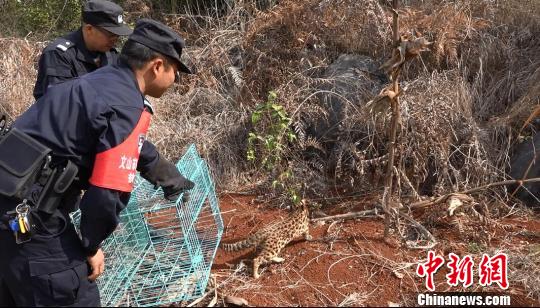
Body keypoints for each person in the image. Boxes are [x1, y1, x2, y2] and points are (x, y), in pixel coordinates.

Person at [0, 19, 194, 306]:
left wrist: (169, 178)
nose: (175, 79)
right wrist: (91, 245)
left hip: (9, 209)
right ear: (156, 66)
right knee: (74, 292)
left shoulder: (100, 82)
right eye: (175, 71)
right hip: (32, 221)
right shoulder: (126, 104)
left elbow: (132, 149)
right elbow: (106, 194)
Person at [33, 0, 132, 100]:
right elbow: (59, 103)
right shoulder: (58, 55)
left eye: (118, 36)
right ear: (89, 29)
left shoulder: (110, 54)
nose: (115, 40)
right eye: (111, 35)